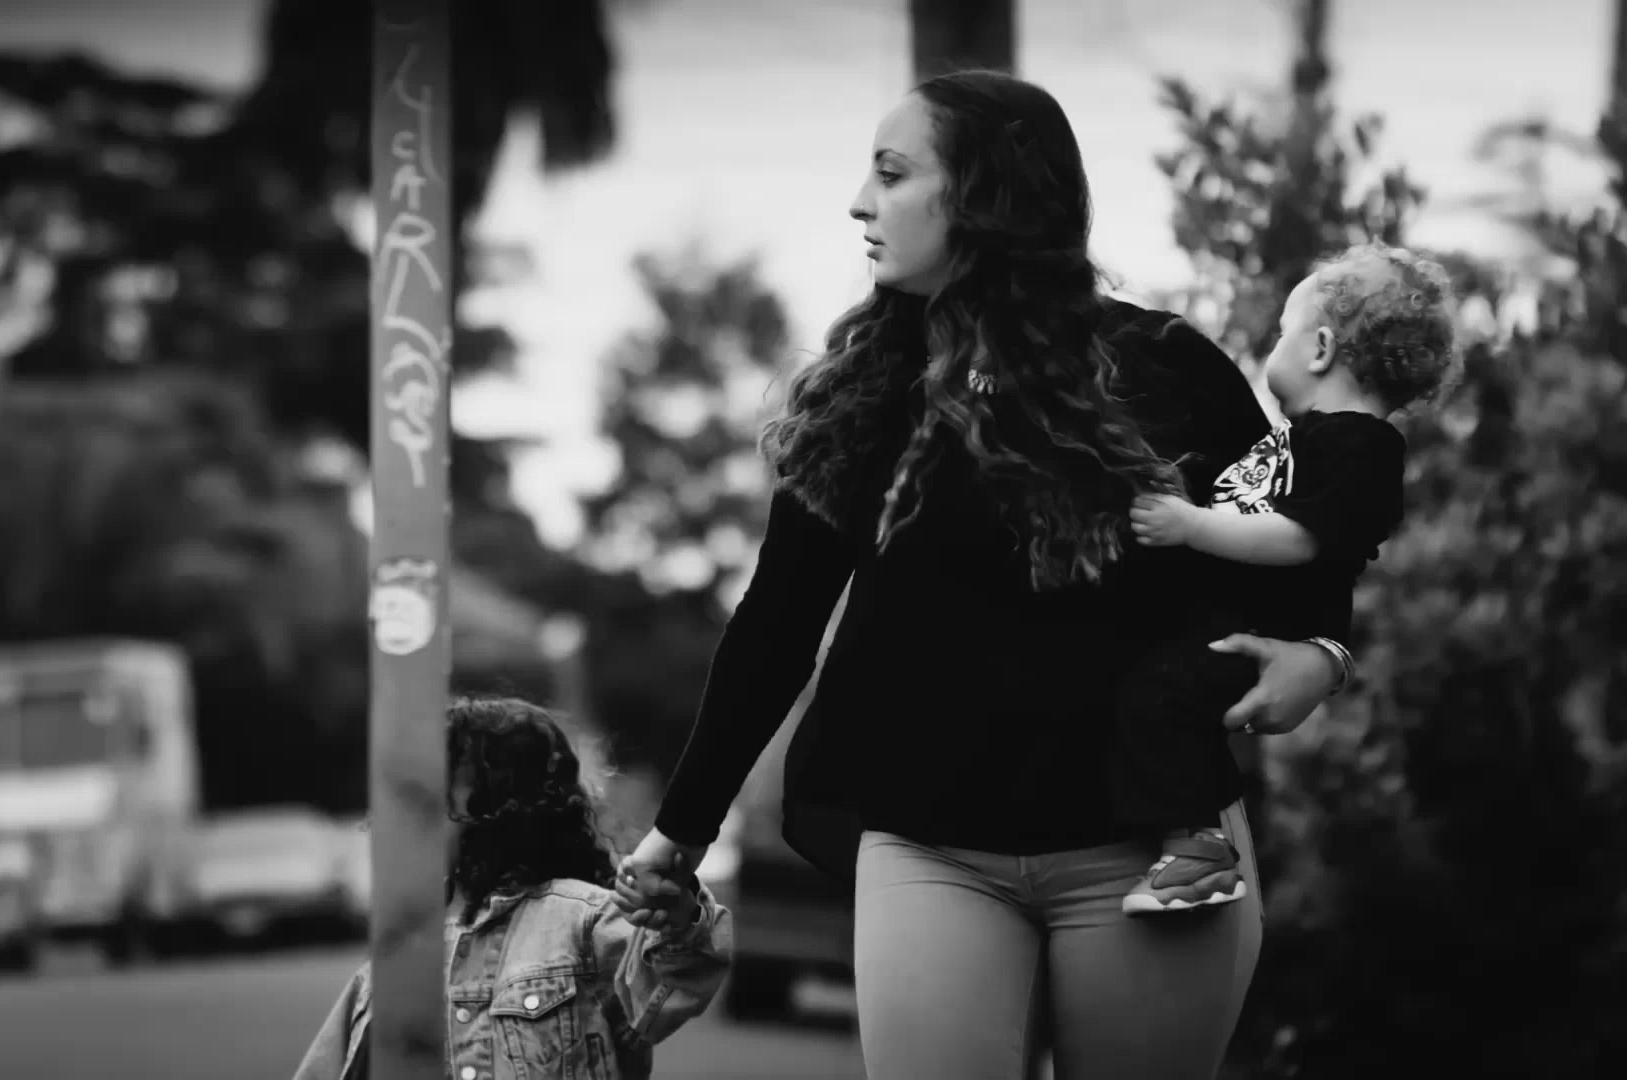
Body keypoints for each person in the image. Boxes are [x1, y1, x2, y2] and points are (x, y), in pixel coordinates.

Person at [612, 68, 1358, 1079]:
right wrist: (681, 830)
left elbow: (1304, 525)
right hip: (931, 850)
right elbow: (776, 625)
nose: (860, 203)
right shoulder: (863, 395)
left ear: (983, 195)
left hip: (1153, 851)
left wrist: (1321, 649)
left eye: (892, 174)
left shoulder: (1164, 369)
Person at [1115, 241, 1457, 916]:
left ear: (1321, 348)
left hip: (1262, 634)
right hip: (1228, 619)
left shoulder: (1362, 445)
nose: (1275, 345)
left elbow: (1300, 538)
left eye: (1282, 333)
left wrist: (1191, 526)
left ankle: (1198, 852)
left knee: (1161, 697)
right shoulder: (1302, 438)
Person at [292, 696, 732, 1080]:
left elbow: (676, 985)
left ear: (501, 804)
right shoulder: (395, 959)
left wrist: (680, 917)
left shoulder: (584, 920)